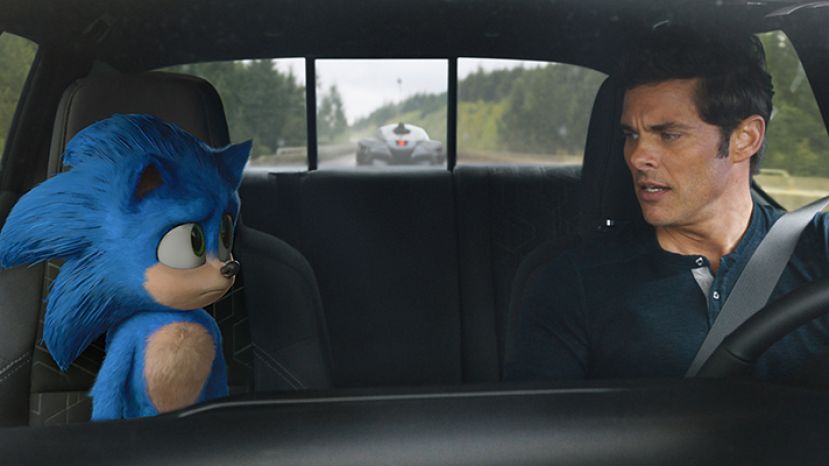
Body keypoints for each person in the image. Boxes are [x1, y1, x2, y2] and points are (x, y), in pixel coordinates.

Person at [503, 26, 829, 381]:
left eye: (669, 135)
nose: (637, 156)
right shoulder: (573, 283)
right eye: (631, 135)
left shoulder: (819, 250)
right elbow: (543, 432)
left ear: (744, 139)